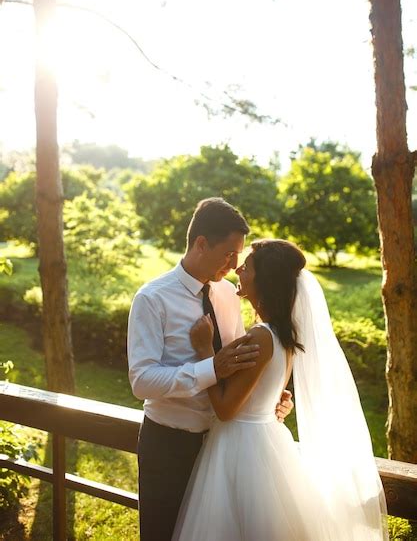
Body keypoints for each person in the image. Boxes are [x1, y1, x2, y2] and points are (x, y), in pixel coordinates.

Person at [173, 239, 388, 541]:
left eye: (246, 267)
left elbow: (225, 409)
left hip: (241, 448)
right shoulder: (281, 334)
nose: (237, 268)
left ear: (264, 279)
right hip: (266, 437)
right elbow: (264, 393)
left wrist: (204, 350)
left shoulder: (261, 336)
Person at [127, 199, 294, 541]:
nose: (235, 265)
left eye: (240, 257)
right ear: (201, 243)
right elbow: (141, 381)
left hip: (224, 448)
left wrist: (265, 396)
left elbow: (238, 362)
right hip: (169, 446)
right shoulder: (152, 299)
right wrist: (210, 368)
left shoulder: (229, 295)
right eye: (230, 254)